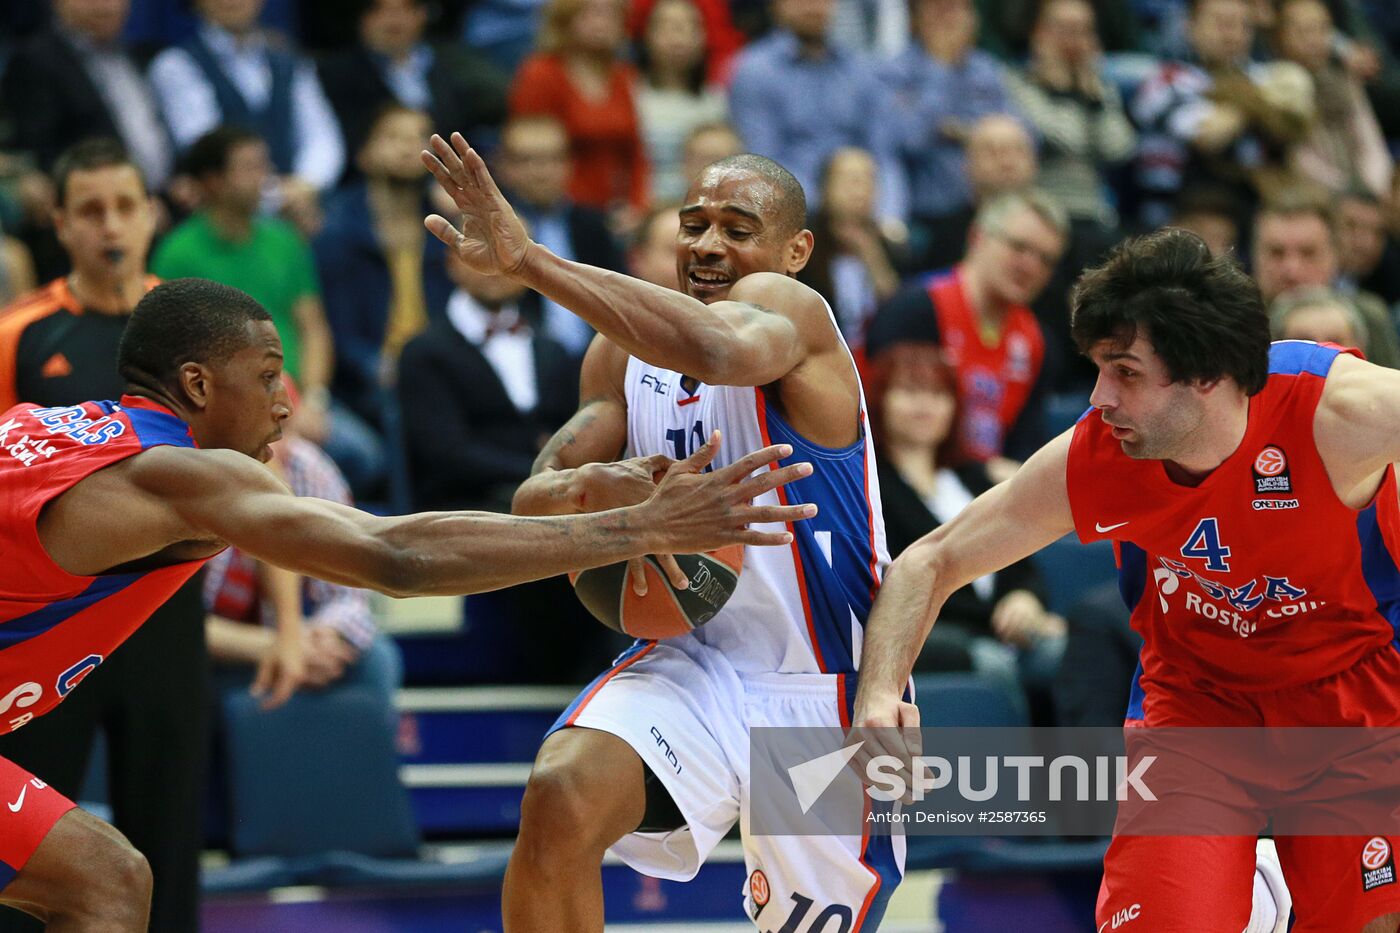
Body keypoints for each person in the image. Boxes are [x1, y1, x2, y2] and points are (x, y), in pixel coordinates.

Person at [0, 275, 811, 931]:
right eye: (268, 376)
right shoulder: (178, 470)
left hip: (809, 703)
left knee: (104, 878)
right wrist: (632, 527)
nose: (287, 403)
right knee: (105, 884)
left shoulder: (46, 427)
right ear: (197, 384)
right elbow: (394, 555)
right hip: (800, 718)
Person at [852, 228, 1400, 932]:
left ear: (1205, 374)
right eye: (1099, 368)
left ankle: (1265, 893)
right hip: (1199, 709)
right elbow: (932, 559)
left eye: (1126, 372)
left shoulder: (1340, 410)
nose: (1099, 395)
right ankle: (1237, 888)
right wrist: (877, 695)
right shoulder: (1104, 453)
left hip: (1350, 701)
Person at [417, 132, 899, 927]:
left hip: (830, 687)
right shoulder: (619, 355)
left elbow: (714, 346)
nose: (708, 244)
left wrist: (531, 262)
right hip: (689, 662)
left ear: (795, 249)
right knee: (561, 790)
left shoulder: (794, 313)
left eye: (738, 229)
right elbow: (533, 504)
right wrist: (597, 490)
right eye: (694, 223)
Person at [0, 139, 206, 933]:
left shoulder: (201, 325)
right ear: (60, 223)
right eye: (90, 210)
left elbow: (269, 481)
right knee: (47, 865)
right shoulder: (24, 329)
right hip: (46, 630)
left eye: (125, 205)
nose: (111, 226)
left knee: (168, 842)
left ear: (152, 212)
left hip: (164, 622)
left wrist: (287, 623)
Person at [153, 126, 386, 495]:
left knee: (367, 456)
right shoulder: (177, 252)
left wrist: (314, 399)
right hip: (229, 402)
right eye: (249, 167)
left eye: (264, 165)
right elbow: (172, 349)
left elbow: (314, 328)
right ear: (213, 181)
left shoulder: (285, 239)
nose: (264, 177)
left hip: (294, 394)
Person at [867, 190, 1069, 471]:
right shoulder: (914, 311)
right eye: (1019, 247)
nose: (1030, 265)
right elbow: (883, 432)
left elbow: (1024, 445)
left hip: (984, 490)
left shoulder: (1040, 343)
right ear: (977, 237)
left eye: (1046, 259)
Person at [318, 0, 509, 180]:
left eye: (404, 9)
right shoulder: (335, 74)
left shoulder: (454, 64)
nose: (393, 21)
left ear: (423, 14)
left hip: (448, 182)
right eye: (379, 10)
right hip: (366, 184)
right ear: (362, 17)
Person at [509, 0, 650, 217]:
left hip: (617, 210)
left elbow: (635, 153)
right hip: (558, 210)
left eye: (611, 13)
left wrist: (637, 206)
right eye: (592, 12)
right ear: (566, 18)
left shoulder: (624, 76)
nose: (602, 22)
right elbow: (528, 148)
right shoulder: (541, 73)